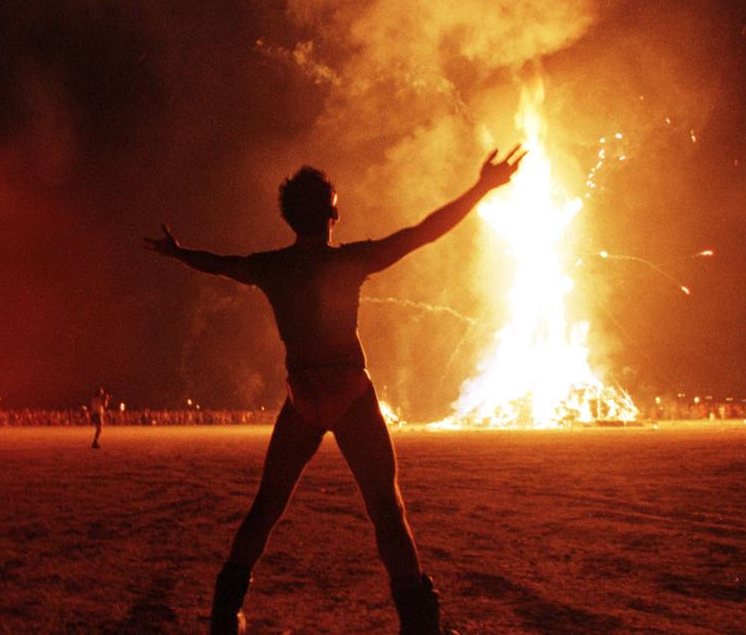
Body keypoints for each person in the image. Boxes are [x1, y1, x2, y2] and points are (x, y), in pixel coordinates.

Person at [143, 147, 525, 635]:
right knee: (386, 509)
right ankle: (420, 625)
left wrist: (178, 254)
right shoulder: (351, 260)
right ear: (332, 214)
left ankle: (224, 613)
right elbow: (422, 233)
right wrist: (481, 187)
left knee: (268, 504)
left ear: (289, 219)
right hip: (349, 390)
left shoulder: (271, 268)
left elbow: (219, 264)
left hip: (303, 394)